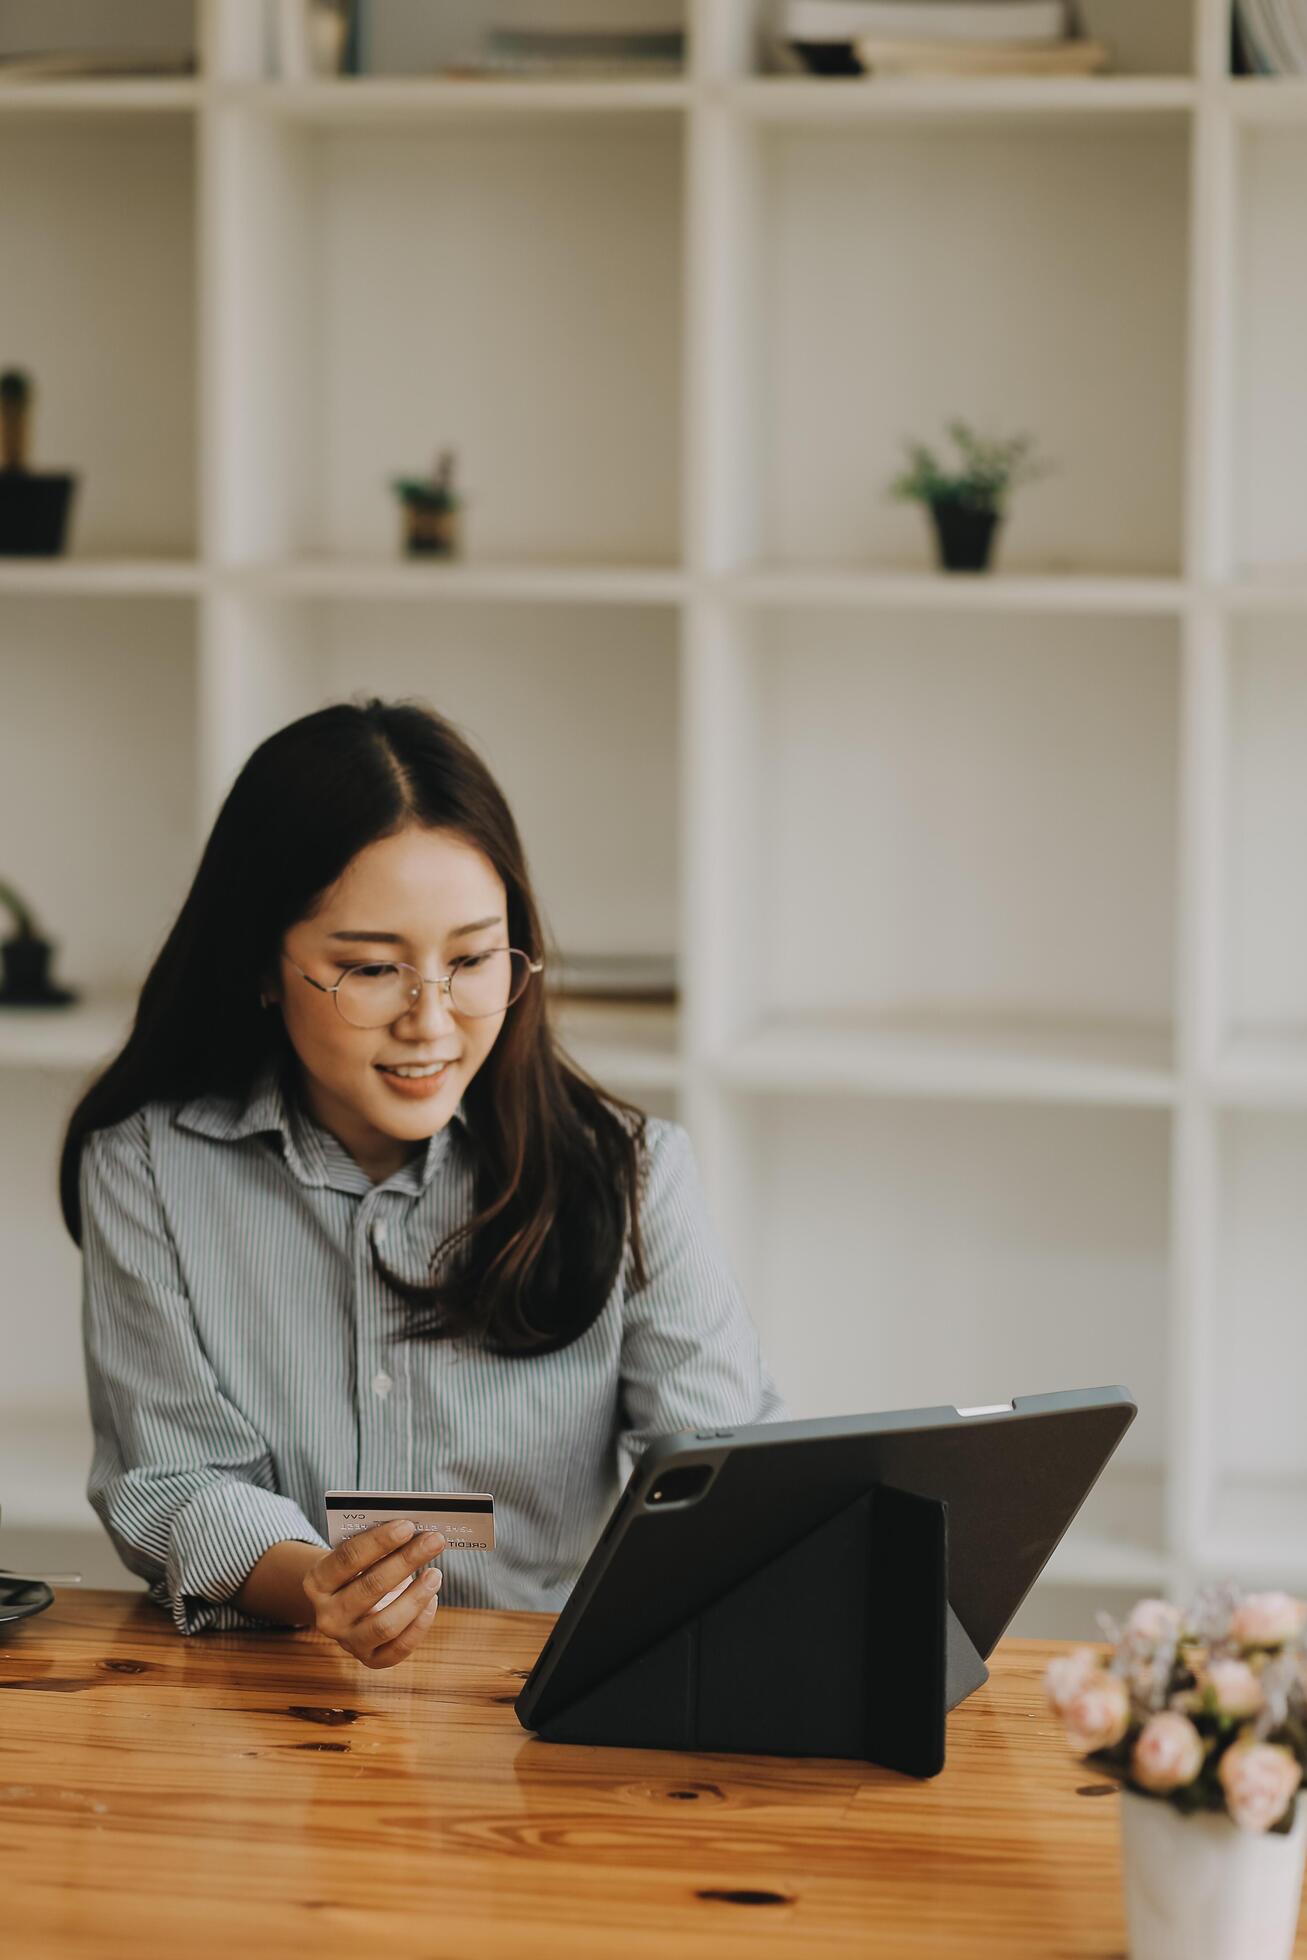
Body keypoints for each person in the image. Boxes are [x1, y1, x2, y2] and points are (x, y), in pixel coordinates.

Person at [58, 697, 786, 1670]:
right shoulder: (149, 1165)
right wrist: (315, 1588)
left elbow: (726, 1483)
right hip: (269, 1698)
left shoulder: (631, 1170)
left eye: (474, 959)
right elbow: (173, 1478)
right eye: (368, 968)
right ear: (261, 967)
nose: (431, 1021)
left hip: (541, 1709)